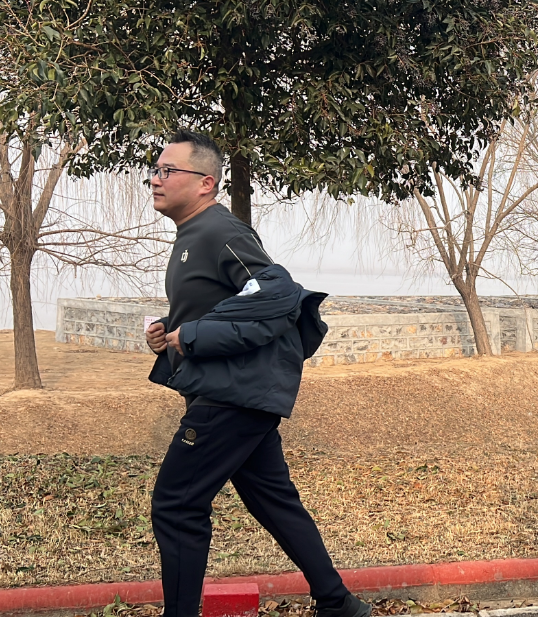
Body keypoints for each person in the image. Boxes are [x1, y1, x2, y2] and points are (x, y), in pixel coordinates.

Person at [144, 130, 369, 617]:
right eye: (154, 171)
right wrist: (170, 331)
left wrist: (193, 335)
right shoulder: (193, 236)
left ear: (205, 183)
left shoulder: (221, 231)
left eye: (168, 171)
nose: (155, 180)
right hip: (238, 395)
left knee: (177, 504)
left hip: (230, 398)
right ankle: (338, 603)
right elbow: (230, 308)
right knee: (273, 501)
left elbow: (277, 295)